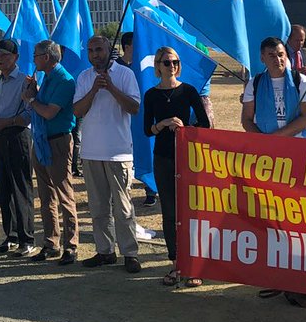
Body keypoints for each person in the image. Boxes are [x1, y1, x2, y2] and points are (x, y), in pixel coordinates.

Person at [242, 36, 306, 301]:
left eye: (281, 54)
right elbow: (246, 120)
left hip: (298, 157)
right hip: (268, 161)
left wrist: (276, 138)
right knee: (272, 217)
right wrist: (263, 143)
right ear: (262, 58)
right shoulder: (255, 83)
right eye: (272, 55)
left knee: (299, 216)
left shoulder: (300, 80)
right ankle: (278, 275)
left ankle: (304, 274)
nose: (278, 59)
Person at [74, 35, 143, 273]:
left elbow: (134, 107)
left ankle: (130, 253)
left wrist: (111, 87)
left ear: (108, 50)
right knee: (98, 208)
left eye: (99, 50)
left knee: (123, 208)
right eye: (91, 50)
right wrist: (94, 89)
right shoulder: (84, 77)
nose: (95, 55)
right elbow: (77, 111)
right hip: (91, 152)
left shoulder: (125, 74)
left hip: (118, 153)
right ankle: (105, 251)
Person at [143, 46, 211, 287]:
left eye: (175, 62)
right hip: (163, 157)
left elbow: (205, 125)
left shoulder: (189, 91)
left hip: (187, 157)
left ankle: (194, 265)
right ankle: (176, 263)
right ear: (158, 66)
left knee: (191, 211)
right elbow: (147, 129)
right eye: (166, 62)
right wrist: (162, 124)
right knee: (170, 212)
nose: (171, 66)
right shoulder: (151, 95)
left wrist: (185, 128)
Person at [23, 40, 78, 263]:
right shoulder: (46, 77)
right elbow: (41, 104)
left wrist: (31, 99)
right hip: (42, 140)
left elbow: (49, 112)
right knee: (46, 196)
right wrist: (33, 92)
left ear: (46, 57)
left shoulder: (64, 80)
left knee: (64, 195)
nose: (33, 59)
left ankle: (71, 245)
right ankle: (50, 242)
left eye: (36, 56)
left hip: (58, 141)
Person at [0, 38, 36, 256]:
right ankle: (11, 235)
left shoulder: (25, 81)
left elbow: (28, 115)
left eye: (5, 55)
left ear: (16, 57)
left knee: (20, 188)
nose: (1, 59)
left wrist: (5, 122)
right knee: (4, 188)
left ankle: (27, 238)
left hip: (17, 136)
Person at [115, 33, 155, 206]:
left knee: (146, 150)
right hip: (122, 119)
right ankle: (122, 191)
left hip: (143, 116)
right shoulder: (116, 67)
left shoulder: (144, 65)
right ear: (127, 47)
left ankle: (150, 189)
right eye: (136, 44)